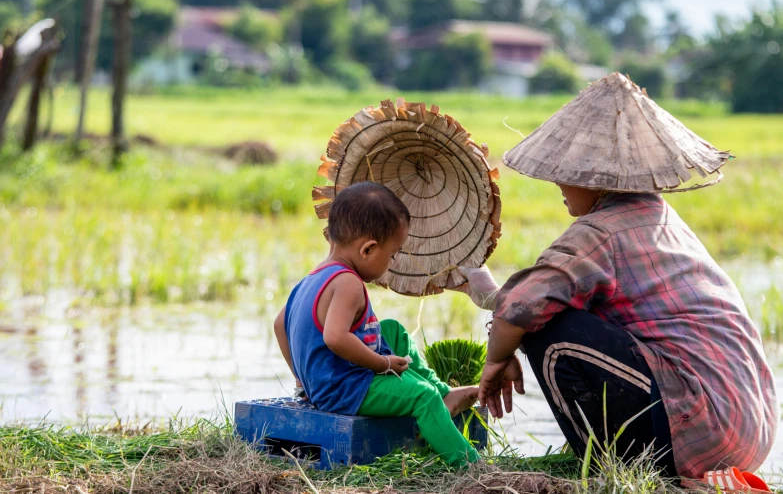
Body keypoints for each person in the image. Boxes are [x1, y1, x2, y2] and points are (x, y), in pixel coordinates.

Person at [454, 73, 778, 479]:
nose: (558, 180)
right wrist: (487, 295)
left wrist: (496, 361)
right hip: (748, 430)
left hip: (703, 429)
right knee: (547, 314)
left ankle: (607, 471)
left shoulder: (600, 232)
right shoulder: (658, 216)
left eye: (567, 170)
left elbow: (519, 310)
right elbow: (521, 299)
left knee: (548, 333)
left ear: (597, 178)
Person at [274, 181, 480, 467]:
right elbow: (335, 337)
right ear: (368, 249)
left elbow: (279, 324)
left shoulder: (312, 278)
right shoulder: (348, 282)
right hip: (345, 390)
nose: (392, 261)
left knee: (392, 329)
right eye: (393, 254)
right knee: (423, 396)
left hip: (330, 384)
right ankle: (470, 465)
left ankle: (445, 395)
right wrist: (380, 364)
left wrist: (301, 378)